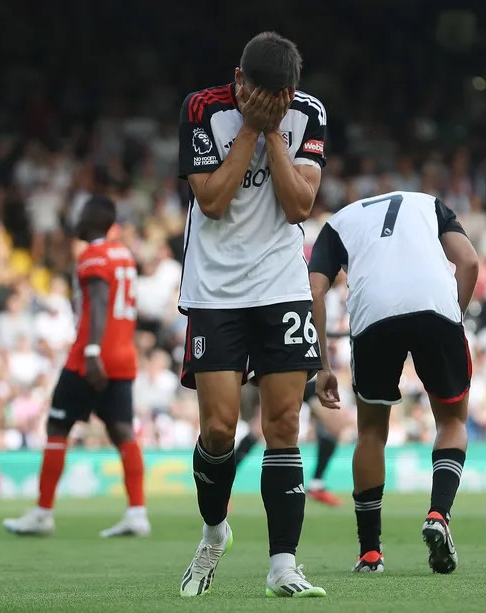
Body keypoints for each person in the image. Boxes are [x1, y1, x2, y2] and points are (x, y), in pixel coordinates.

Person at [177, 31, 327, 598]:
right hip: (215, 289)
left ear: (290, 93)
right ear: (237, 80)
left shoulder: (307, 113)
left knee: (283, 424)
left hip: (280, 285)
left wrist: (274, 132)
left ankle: (283, 566)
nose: (263, 103)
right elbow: (212, 202)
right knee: (218, 429)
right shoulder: (203, 109)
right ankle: (214, 535)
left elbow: (299, 206)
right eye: (252, 93)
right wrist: (249, 127)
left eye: (276, 99)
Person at [308, 191, 479, 574]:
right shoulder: (428, 202)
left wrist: (322, 365)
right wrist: (455, 317)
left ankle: (370, 553)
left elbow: (314, 290)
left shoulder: (338, 221)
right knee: (452, 421)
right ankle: (438, 514)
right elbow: (467, 260)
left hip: (373, 313)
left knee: (371, 433)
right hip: (435, 303)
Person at [2, 195, 149, 538]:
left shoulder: (93, 256)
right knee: (122, 430)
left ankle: (42, 512)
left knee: (57, 425)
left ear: (93, 219)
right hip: (123, 352)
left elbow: (98, 301)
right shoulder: (123, 254)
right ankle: (137, 512)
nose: (76, 220)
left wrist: (94, 349)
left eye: (81, 214)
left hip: (91, 355)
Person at [234, 380, 343, 506]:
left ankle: (316, 485)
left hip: (313, 375)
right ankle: (223, 485)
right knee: (259, 428)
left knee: (334, 426)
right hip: (284, 371)